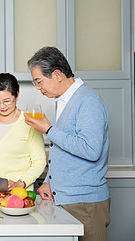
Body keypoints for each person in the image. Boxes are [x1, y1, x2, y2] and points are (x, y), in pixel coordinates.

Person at [25, 46, 110, 241]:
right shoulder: (65, 100)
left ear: (57, 74)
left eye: (39, 81)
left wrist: (48, 130)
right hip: (66, 200)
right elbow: (65, 150)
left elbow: (91, 150)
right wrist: (49, 182)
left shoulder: (88, 100)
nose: (38, 88)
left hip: (85, 202)